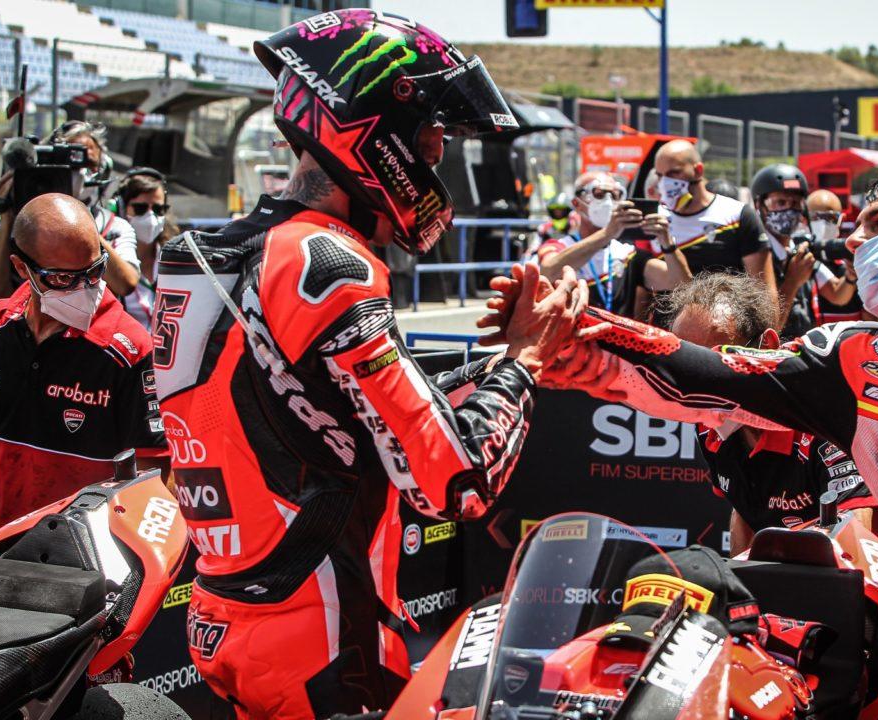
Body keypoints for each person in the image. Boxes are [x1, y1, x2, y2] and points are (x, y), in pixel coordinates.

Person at [154, 11, 584, 717]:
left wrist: (490, 367)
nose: (436, 155)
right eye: (431, 135)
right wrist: (527, 358)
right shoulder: (327, 260)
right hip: (320, 627)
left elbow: (323, 407)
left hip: (225, 610)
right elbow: (454, 482)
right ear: (374, 129)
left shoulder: (202, 254)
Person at [519, 162, 878, 708]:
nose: (853, 241)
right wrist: (568, 338)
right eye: (857, 226)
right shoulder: (851, 359)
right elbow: (707, 375)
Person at [0, 193, 168, 560]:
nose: (85, 288)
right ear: (21, 267)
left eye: (94, 271)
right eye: (63, 278)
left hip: (91, 572)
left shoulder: (129, 350)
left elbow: (153, 483)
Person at [665, 272, 874, 555]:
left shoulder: (822, 416)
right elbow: (746, 511)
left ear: (768, 346)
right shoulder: (708, 426)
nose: (699, 383)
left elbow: (859, 545)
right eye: (684, 366)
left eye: (716, 361)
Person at [0, 122, 141, 305]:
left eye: (88, 165)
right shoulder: (22, 226)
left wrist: (78, 219)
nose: (79, 173)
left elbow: (126, 284)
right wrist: (6, 217)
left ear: (103, 170)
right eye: (69, 166)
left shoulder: (115, 226)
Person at [536, 171, 689, 312]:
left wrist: (668, 243)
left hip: (616, 333)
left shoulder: (627, 253)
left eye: (615, 195)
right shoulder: (557, 245)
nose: (608, 201)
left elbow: (681, 284)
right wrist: (607, 233)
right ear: (577, 204)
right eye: (599, 194)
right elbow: (548, 271)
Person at [653, 140, 774, 302]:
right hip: (666, 318)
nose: (665, 182)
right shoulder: (655, 219)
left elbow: (764, 293)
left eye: (674, 173)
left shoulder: (737, 215)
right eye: (659, 175)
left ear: (698, 171)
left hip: (725, 315)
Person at [749, 164, 857, 337]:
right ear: (760, 205)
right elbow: (767, 326)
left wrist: (851, 276)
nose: (789, 210)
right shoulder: (755, 254)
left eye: (795, 203)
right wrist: (792, 281)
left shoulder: (800, 249)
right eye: (780, 203)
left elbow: (837, 294)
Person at [114, 167, 175, 330]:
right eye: (140, 208)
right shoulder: (109, 262)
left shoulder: (176, 259)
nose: (150, 216)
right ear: (121, 208)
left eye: (158, 209)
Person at [807, 188, 866, 324]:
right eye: (815, 217)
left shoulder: (851, 260)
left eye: (830, 218)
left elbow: (869, 314)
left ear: (841, 220)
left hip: (851, 333)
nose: (822, 224)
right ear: (805, 218)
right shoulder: (799, 259)